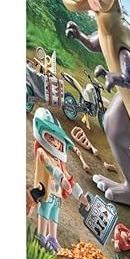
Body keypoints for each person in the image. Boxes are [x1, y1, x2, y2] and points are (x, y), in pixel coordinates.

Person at [30, 106, 89, 251]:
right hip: (46, 191)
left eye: (57, 139)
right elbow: (50, 167)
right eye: (50, 137)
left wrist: (81, 196)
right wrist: (61, 179)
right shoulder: (42, 152)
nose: (55, 142)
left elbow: (69, 179)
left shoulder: (59, 161)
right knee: (45, 212)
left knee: (54, 215)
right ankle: (41, 236)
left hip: (57, 195)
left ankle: (52, 237)